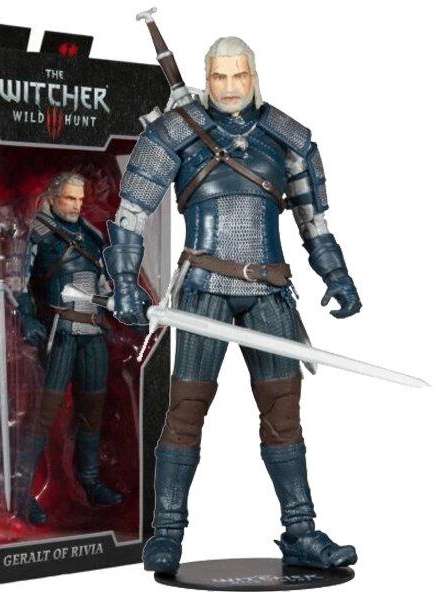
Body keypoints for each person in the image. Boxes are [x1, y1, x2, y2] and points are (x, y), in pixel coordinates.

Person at [103, 37, 361, 573]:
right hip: (202, 292)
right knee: (186, 412)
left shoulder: (287, 137)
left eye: (237, 75)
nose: (228, 87)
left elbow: (314, 221)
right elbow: (130, 216)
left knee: (283, 414)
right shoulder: (173, 133)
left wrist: (336, 275)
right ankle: (167, 534)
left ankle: (301, 532)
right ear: (206, 77)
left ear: (253, 75)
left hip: (270, 293)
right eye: (218, 76)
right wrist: (124, 283)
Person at [16, 172, 122, 525]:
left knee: (92, 412)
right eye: (69, 199)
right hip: (58, 333)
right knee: (43, 414)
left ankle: (89, 481)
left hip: (93, 333)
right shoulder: (38, 234)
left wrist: (121, 303)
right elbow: (18, 282)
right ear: (53, 197)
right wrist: (26, 318)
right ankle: (21, 492)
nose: (76, 205)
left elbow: (104, 284)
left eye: (80, 199)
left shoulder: (92, 236)